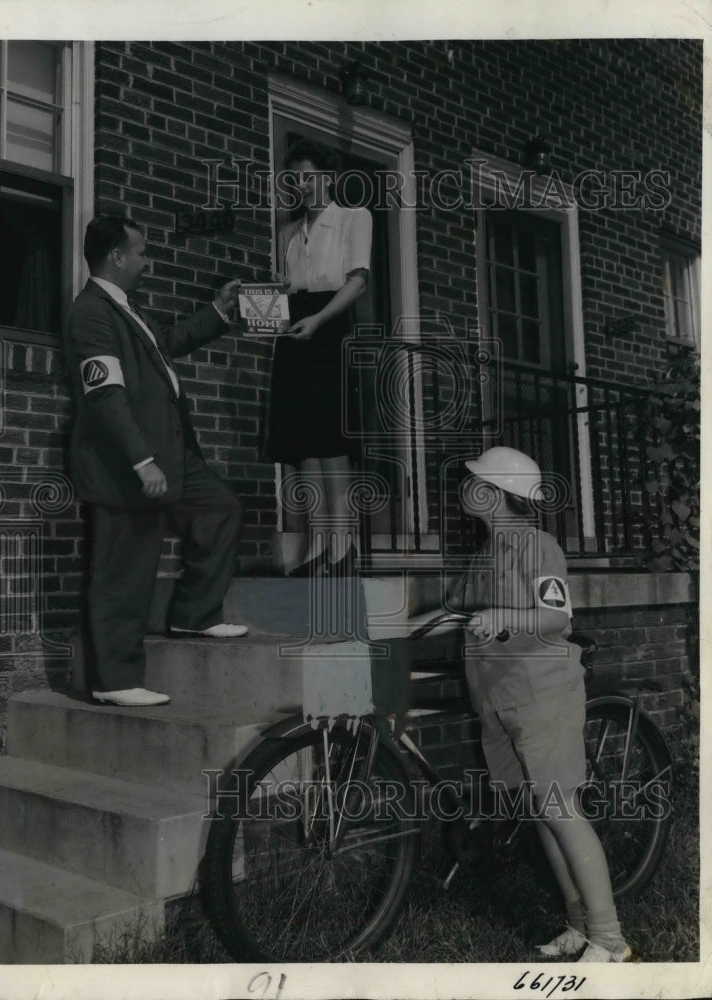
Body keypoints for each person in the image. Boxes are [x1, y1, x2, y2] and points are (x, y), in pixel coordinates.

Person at [409, 446, 631, 963]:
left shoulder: (537, 545)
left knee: (559, 808)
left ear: (496, 494)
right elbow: (451, 612)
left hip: (540, 693)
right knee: (540, 812)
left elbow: (557, 617)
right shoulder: (486, 553)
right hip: (499, 696)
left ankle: (610, 939)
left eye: (475, 482)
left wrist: (504, 616)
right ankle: (578, 926)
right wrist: (377, 629)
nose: (465, 489)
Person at [64, 214, 248, 708]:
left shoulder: (127, 308)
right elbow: (105, 395)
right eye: (141, 253)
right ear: (117, 257)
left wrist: (219, 309)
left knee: (218, 508)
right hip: (127, 464)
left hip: (170, 454)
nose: (147, 262)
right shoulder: (92, 313)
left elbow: (168, 342)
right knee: (124, 569)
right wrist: (142, 460)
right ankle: (114, 680)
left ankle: (194, 615)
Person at [265, 139, 373, 576]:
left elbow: (357, 282)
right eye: (295, 178)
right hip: (296, 328)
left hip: (329, 327)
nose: (302, 185)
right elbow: (290, 288)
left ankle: (342, 544)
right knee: (304, 441)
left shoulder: (353, 217)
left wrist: (319, 320)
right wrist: (276, 295)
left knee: (331, 438)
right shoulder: (287, 232)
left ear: (328, 178)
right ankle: (315, 547)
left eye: (309, 176)